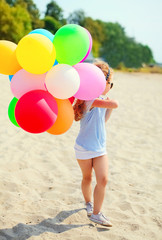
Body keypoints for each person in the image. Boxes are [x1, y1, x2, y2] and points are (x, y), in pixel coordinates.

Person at [73, 61, 118, 227]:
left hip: (100, 147)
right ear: (101, 82)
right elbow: (115, 104)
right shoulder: (89, 99)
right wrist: (111, 103)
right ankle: (88, 203)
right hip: (84, 147)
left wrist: (109, 106)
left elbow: (103, 121)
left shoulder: (98, 100)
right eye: (110, 84)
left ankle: (97, 214)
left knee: (103, 180)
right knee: (87, 178)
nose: (111, 87)